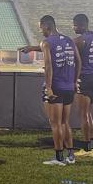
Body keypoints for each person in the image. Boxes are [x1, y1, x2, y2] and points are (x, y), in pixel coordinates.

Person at [20, 15, 80, 165]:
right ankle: (71, 156)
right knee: (65, 122)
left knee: (55, 123)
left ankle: (59, 158)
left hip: (55, 88)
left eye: (41, 27)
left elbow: (48, 66)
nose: (41, 30)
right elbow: (78, 62)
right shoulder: (69, 40)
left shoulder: (46, 42)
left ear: (47, 26)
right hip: (68, 88)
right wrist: (74, 81)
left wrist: (48, 88)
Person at [72, 14, 93, 157]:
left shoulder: (79, 40)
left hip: (84, 78)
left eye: (75, 25)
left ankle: (86, 148)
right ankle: (92, 147)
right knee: (89, 113)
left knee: (83, 114)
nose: (74, 28)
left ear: (81, 25)